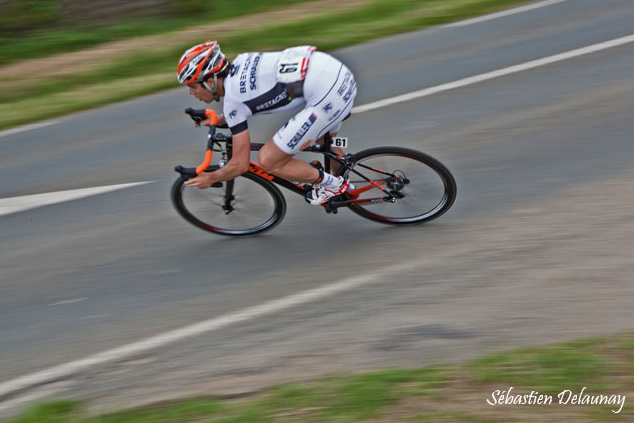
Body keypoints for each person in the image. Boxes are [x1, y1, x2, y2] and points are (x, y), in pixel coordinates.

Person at [177, 40, 357, 205]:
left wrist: (211, 178)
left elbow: (240, 164)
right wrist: (224, 120)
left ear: (210, 82)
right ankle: (348, 186)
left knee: (268, 160)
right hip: (338, 75)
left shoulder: (234, 102)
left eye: (193, 87)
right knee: (324, 141)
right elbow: (255, 98)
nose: (192, 93)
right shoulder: (242, 60)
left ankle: (334, 185)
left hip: (327, 96)